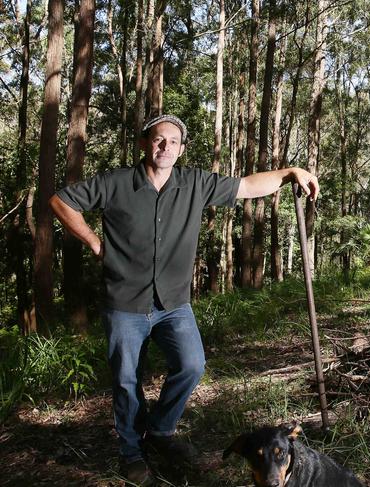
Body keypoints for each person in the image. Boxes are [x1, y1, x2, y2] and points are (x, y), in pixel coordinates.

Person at [50, 114, 319, 484]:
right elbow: (61, 200)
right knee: (127, 382)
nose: (165, 147)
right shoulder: (115, 184)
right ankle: (131, 452)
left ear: (180, 149)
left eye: (173, 142)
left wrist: (291, 172)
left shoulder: (194, 183)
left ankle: (160, 430)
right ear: (144, 143)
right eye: (159, 140)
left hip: (173, 303)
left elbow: (247, 186)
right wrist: (95, 242)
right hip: (125, 302)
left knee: (192, 365)